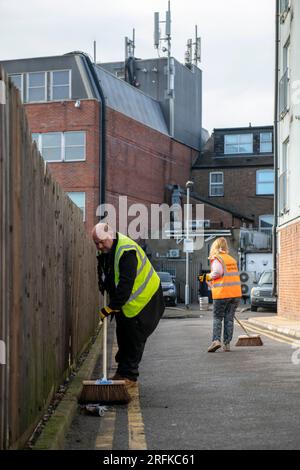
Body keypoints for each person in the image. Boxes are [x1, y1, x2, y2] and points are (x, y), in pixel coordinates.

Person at [92, 222, 165, 385]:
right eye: (96, 243)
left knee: (134, 337)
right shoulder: (108, 251)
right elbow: (107, 277)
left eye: (101, 241)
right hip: (129, 303)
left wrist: (110, 308)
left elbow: (125, 286)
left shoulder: (126, 251)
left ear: (109, 235)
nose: (99, 246)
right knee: (123, 336)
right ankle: (122, 373)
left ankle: (129, 376)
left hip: (147, 300)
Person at [204, 237, 242, 353]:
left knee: (217, 318)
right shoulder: (231, 259)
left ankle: (216, 340)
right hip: (235, 294)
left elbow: (217, 273)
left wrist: (206, 277)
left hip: (222, 294)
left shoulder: (217, 259)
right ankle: (227, 344)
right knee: (229, 319)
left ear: (215, 247)